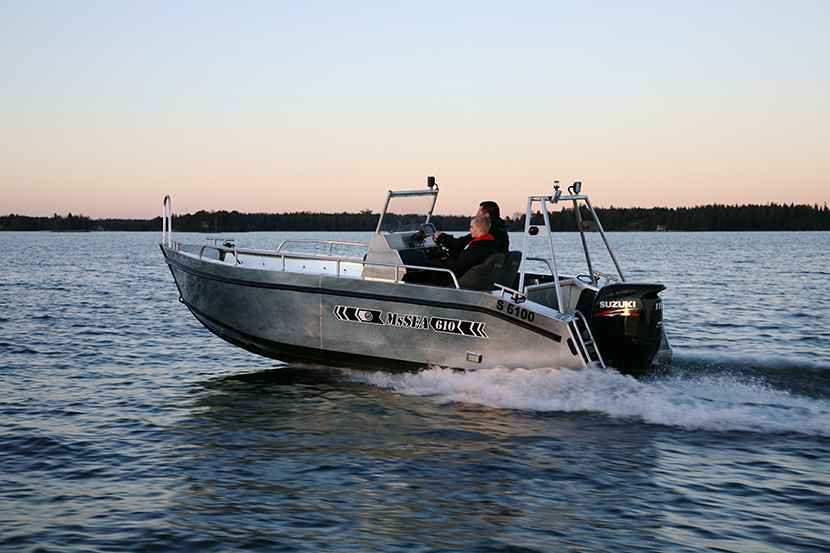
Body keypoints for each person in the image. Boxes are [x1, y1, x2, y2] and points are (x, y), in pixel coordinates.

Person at [428, 215, 497, 282]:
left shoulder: (477, 247)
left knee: (432, 264)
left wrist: (447, 259)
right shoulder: (489, 244)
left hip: (459, 279)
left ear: (480, 229)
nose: (470, 230)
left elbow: (458, 267)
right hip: (474, 278)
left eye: (472, 227)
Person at [435, 201, 509, 255]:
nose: (476, 215)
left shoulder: (485, 231)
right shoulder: (502, 231)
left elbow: (458, 244)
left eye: (479, 213)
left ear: (486, 215)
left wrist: (440, 236)